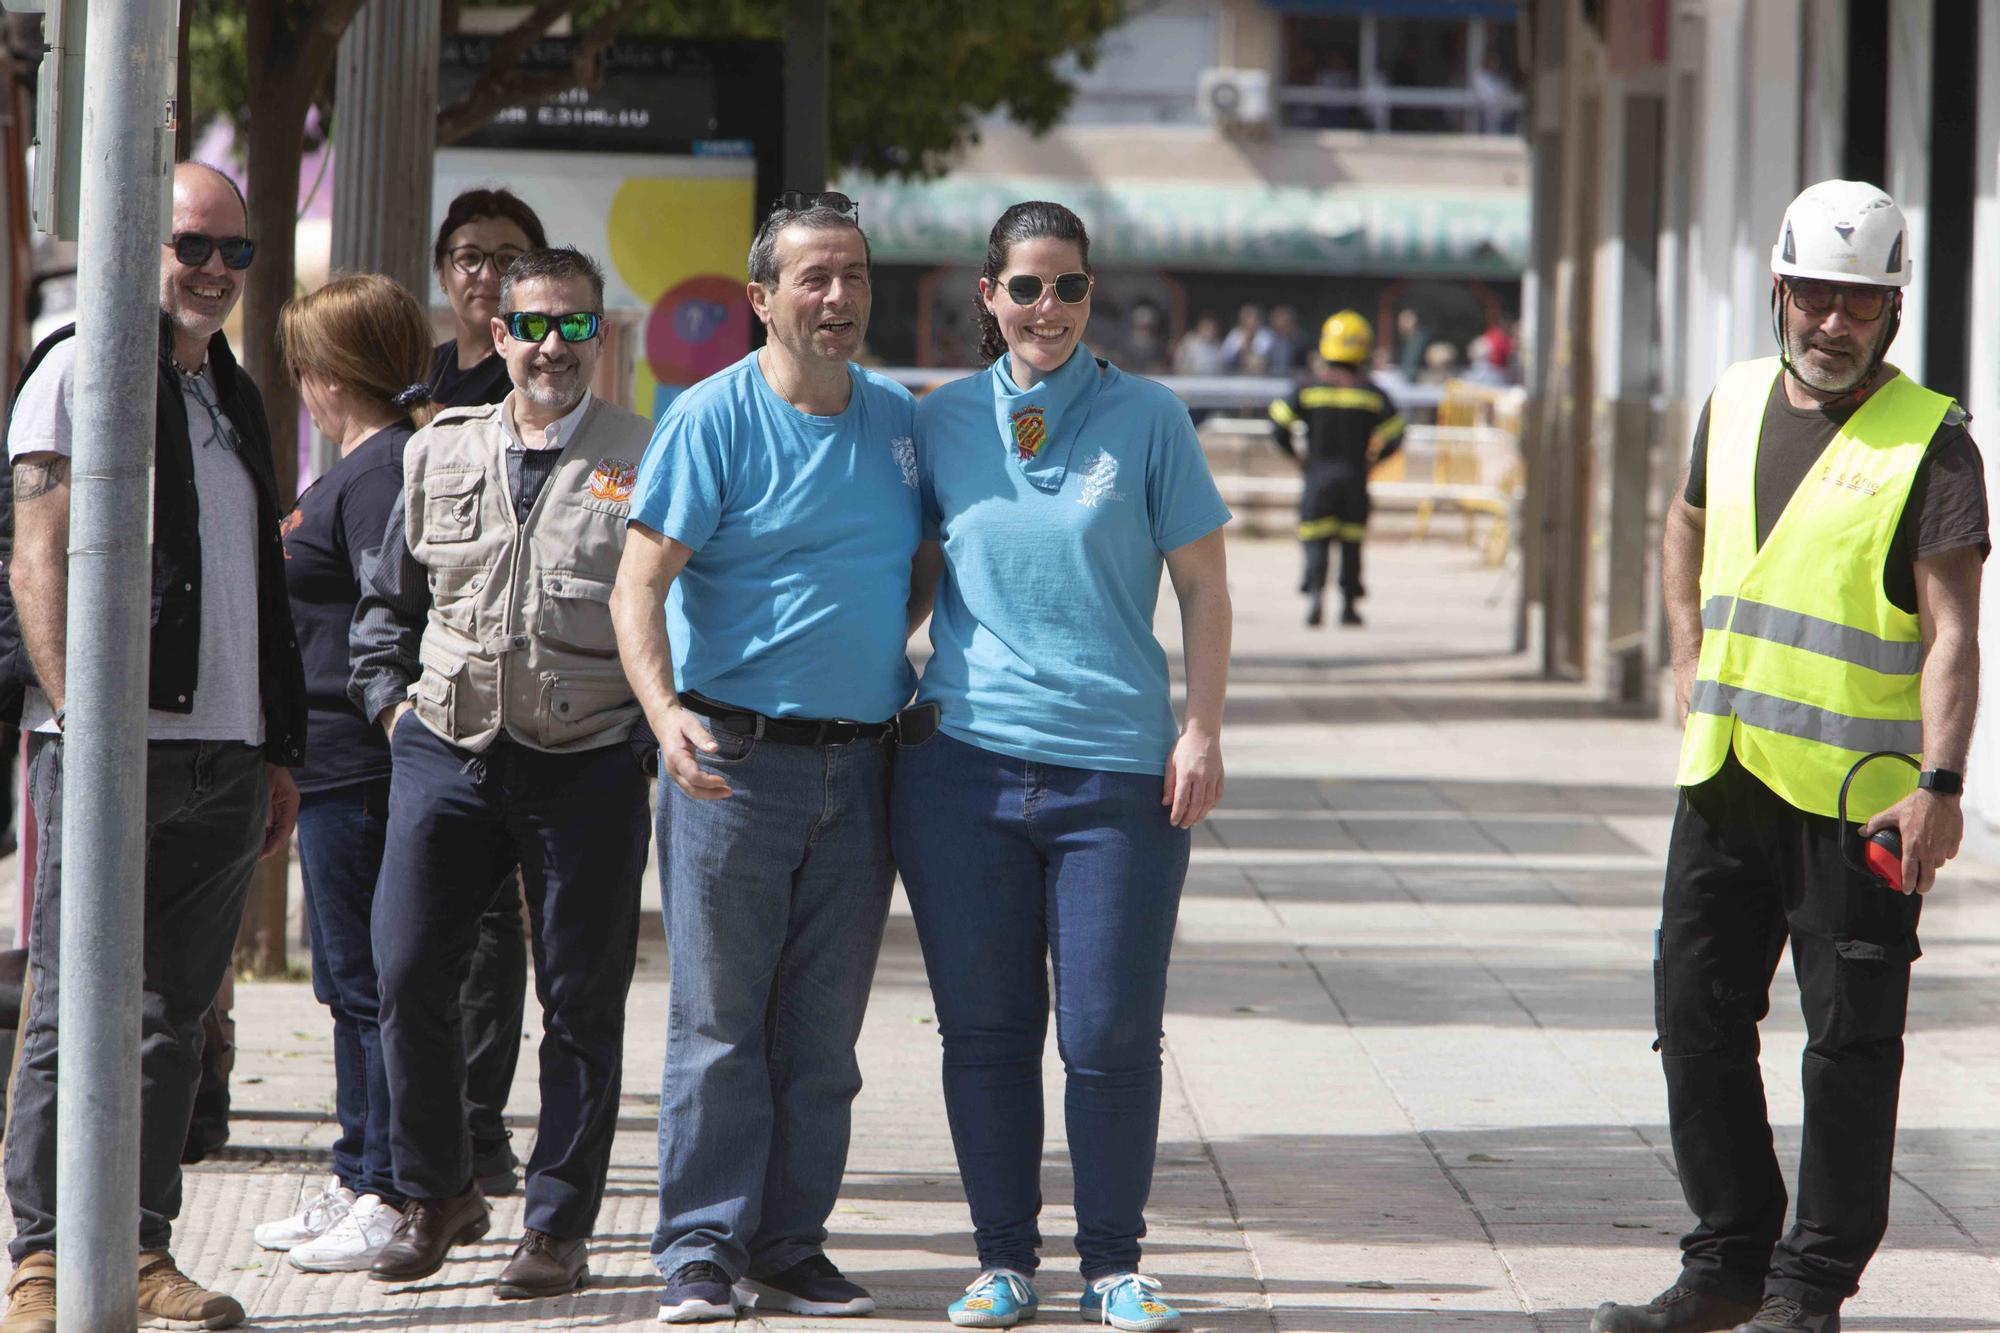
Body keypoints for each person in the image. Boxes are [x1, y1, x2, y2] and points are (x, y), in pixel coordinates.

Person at [1593, 180, 1987, 1333]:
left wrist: (1941, 784)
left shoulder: (1933, 444)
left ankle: (1807, 1290)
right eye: (1812, 294)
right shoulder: (1728, 400)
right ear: (1777, 290)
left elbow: (1953, 632)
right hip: (1722, 777)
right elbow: (1682, 520)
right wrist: (1682, 647)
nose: (1830, 321)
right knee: (1693, 1017)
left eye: (1856, 303)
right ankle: (1724, 1263)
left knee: (1848, 1046)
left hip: (1862, 801)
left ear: (1891, 314)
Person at [892, 201, 1232, 1332]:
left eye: (1069, 287)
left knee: (1106, 1035)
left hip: (1116, 778)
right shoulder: (934, 424)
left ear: (1094, 297)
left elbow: (1202, 587)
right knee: (984, 1033)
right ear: (985, 296)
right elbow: (898, 572)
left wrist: (1201, 727)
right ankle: (999, 1262)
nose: (1047, 308)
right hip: (962, 771)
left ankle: (1111, 1265)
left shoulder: (1147, 418)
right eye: (1025, 287)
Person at [0, 161, 306, 1332]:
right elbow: (36, 556)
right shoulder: (81, 369)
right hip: (108, 745)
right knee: (71, 1009)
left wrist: (279, 744)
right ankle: (39, 1261)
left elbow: (258, 586)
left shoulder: (232, 391)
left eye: (236, 252)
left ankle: (137, 1246)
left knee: (176, 1016)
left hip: (226, 757)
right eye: (193, 246)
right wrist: (84, 723)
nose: (216, 272)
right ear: (140, 245)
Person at [610, 190, 918, 1324]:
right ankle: (697, 1249)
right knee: (719, 1024)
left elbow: (918, 561)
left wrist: (893, 644)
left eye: (853, 276)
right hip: (731, 764)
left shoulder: (895, 420)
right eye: (812, 278)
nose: (836, 298)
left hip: (863, 765)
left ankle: (789, 1243)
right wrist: (662, 713)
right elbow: (637, 582)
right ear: (761, 298)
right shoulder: (709, 418)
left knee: (822, 1036)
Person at [349, 246, 653, 1299]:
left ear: (598, 335)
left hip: (587, 759)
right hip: (447, 743)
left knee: (579, 999)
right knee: (406, 971)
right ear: (498, 334)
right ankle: (437, 1193)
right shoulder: (437, 452)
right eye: (531, 325)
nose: (549, 346)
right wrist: (390, 707)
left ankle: (557, 1224)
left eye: (573, 326)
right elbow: (386, 602)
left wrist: (647, 740)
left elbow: (677, 619)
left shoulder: (644, 455)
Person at [252, 274, 437, 1272]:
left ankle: (387, 1184)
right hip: (330, 764)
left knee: (365, 982)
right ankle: (358, 1163)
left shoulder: (380, 471)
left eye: (305, 366)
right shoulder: (360, 468)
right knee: (344, 980)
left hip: (360, 765)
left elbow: (388, 614)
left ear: (327, 375)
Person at [425, 186, 551, 1199]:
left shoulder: (563, 397)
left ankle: (482, 1125)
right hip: (434, 701)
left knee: (499, 931)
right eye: (468, 255)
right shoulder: (415, 390)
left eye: (506, 257)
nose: (484, 273)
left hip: (537, 706)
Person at [1266, 311, 1404, 627]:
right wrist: (1374, 461)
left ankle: (1315, 595)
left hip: (1317, 477)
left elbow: (1276, 425)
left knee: (1315, 538)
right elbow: (1397, 432)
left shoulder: (1308, 388)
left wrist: (1297, 457)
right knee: (1352, 543)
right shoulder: (1370, 392)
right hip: (1355, 478)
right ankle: (1349, 607)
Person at [1219, 303, 1267, 374]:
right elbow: (1224, 358)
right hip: (1236, 375)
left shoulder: (1265, 334)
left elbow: (1259, 362)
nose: (1250, 321)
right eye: (1247, 317)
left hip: (1261, 376)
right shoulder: (1234, 334)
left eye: (1252, 317)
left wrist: (1247, 345)